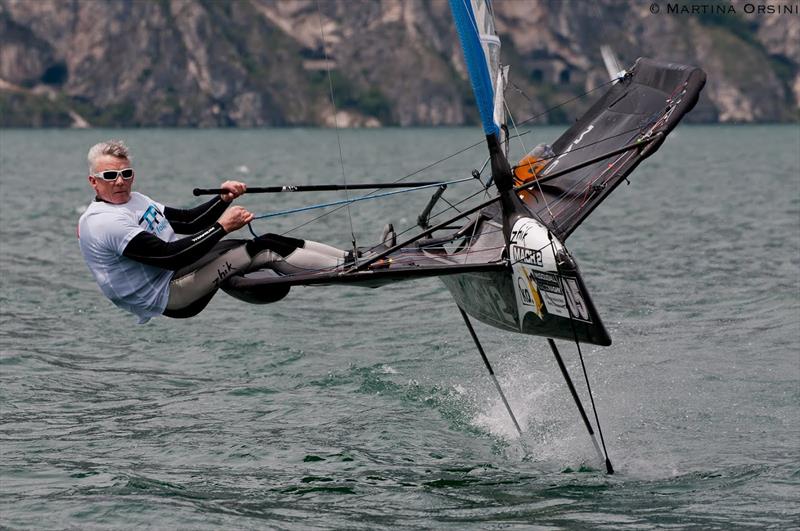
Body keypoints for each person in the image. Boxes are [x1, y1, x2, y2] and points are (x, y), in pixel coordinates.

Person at [78, 140, 352, 323]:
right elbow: (169, 256)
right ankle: (350, 270)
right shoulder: (104, 222)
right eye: (110, 176)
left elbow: (187, 223)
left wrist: (223, 199)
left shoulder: (136, 199)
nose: (120, 182)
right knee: (263, 251)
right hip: (170, 295)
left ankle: (351, 258)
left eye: (126, 173)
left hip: (178, 275)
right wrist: (222, 227)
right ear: (94, 181)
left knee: (264, 241)